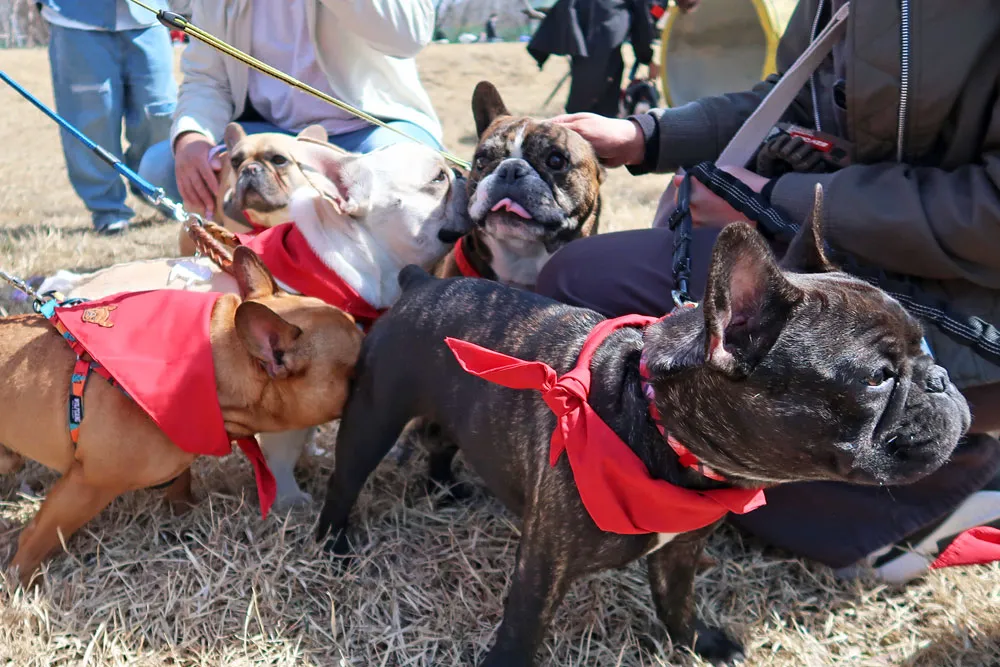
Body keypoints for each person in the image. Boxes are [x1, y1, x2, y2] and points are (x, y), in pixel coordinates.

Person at [535, 0, 1000, 583]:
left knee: (803, 398)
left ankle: (944, 483)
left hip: (966, 299)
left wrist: (774, 196)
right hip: (841, 249)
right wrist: (646, 134)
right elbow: (791, 94)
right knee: (581, 278)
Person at [138, 0, 443, 220]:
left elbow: (408, 37)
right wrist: (191, 137)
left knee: (409, 179)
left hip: (373, 131)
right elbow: (207, 78)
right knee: (160, 167)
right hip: (273, 140)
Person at [40, 0, 177, 234]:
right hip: (75, 16)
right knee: (92, 120)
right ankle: (108, 210)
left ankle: (154, 186)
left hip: (148, 13)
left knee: (160, 111)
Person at [527, 0, 660, 118]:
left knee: (590, 87)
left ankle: (584, 125)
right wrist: (647, 59)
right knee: (592, 99)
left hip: (584, 21)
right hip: (603, 29)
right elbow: (642, 25)